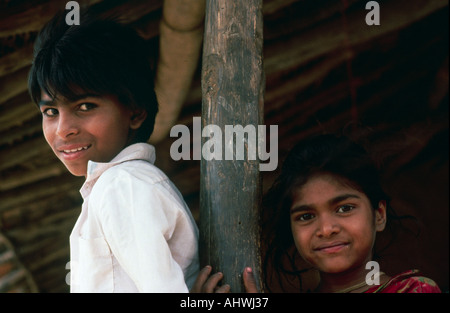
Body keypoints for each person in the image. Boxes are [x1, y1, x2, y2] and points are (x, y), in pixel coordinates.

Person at [28, 11, 199, 292]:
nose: (62, 129)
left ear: (135, 112)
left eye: (85, 106)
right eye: (50, 111)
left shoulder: (122, 186)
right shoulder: (121, 185)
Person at [193, 134, 441, 293]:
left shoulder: (413, 290)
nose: (325, 229)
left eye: (344, 208)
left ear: (379, 215)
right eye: (306, 216)